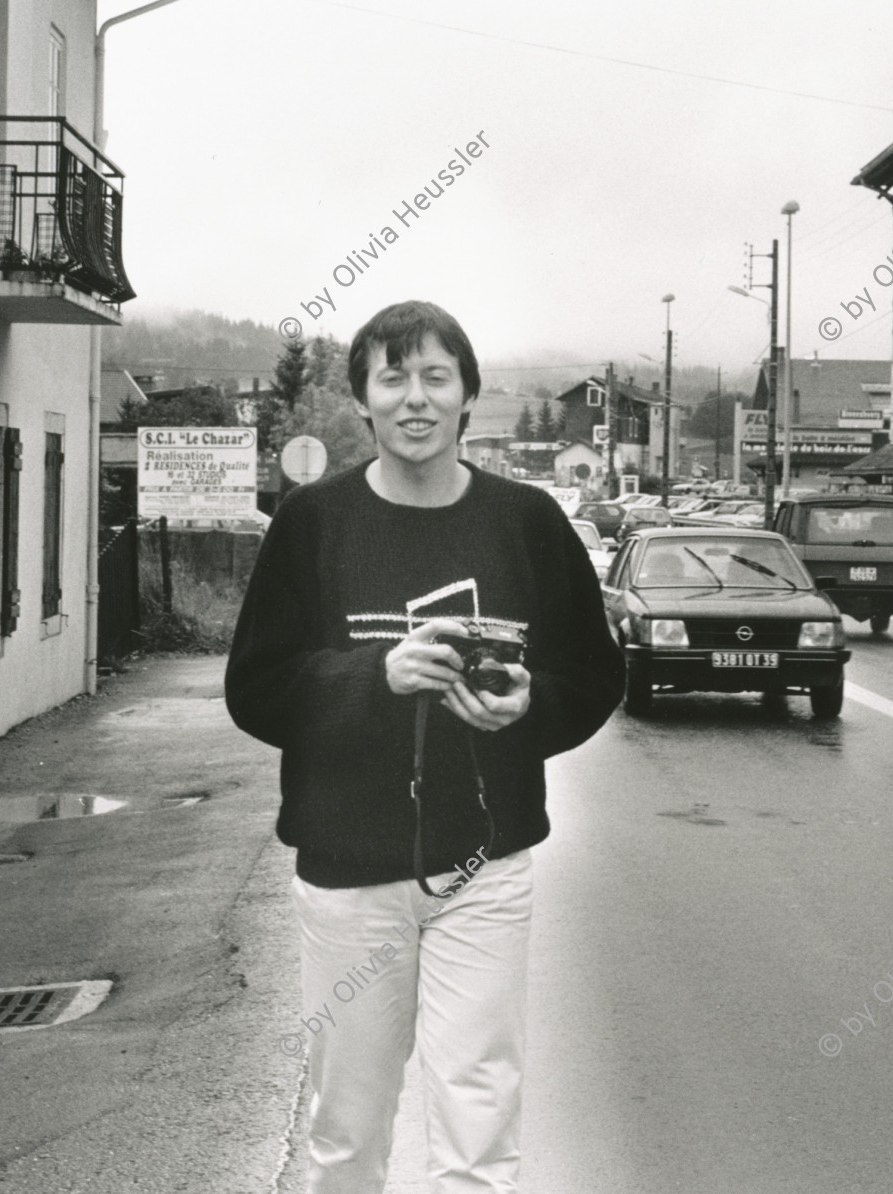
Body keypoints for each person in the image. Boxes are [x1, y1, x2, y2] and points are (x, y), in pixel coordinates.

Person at [225, 300, 624, 1193]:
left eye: (436, 377)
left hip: (487, 867)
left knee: (480, 1119)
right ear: (363, 401)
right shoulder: (314, 524)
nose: (416, 398)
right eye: (393, 377)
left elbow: (596, 679)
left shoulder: (526, 522)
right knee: (347, 1128)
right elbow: (254, 690)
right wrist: (376, 679)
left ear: (468, 397)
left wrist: (529, 707)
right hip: (347, 873)